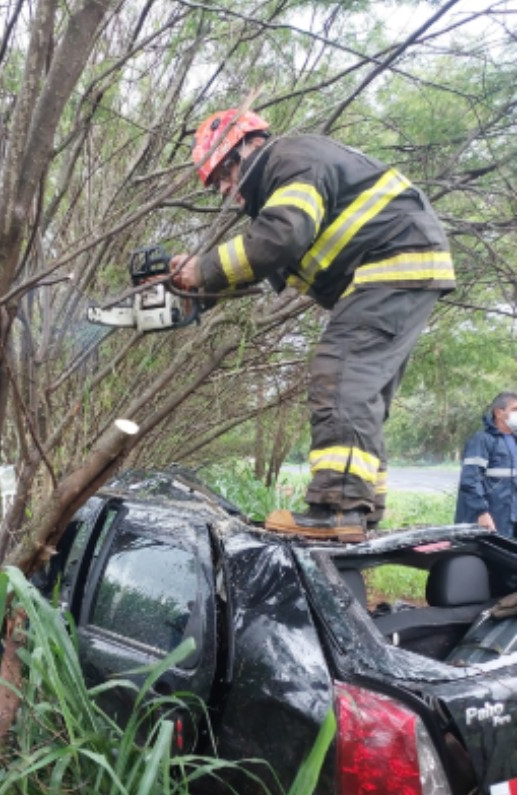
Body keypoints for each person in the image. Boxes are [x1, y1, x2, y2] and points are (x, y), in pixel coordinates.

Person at [169, 108, 456, 539]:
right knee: (362, 395)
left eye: (224, 175)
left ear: (249, 145)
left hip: (390, 265)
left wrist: (204, 268)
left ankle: (337, 509)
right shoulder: (283, 184)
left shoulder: (290, 160)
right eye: (217, 186)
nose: (226, 190)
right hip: (400, 270)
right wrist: (197, 291)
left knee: (339, 377)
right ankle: (360, 510)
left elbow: (280, 239)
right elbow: (270, 261)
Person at [455, 392, 518, 539]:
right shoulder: (483, 441)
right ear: (499, 412)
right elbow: (471, 480)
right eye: (515, 409)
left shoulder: (516, 441)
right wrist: (481, 513)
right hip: (490, 518)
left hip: (511, 518)